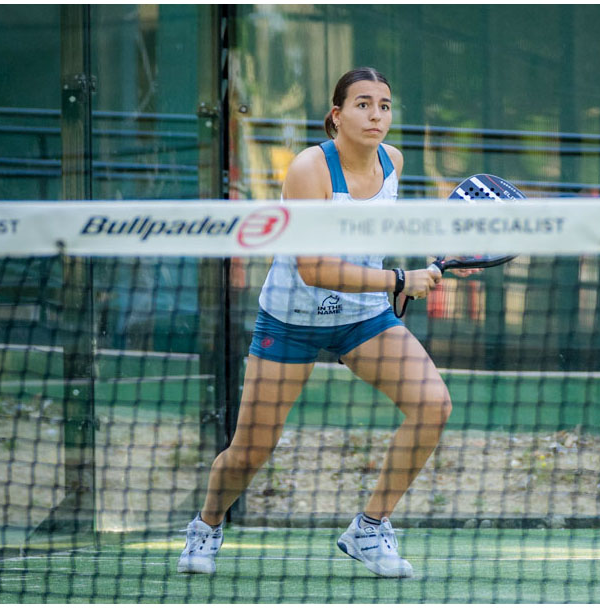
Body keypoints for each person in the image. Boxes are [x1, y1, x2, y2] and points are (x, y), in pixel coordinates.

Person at [177, 67, 475, 578]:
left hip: (363, 318)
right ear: (336, 116)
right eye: (363, 104)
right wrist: (400, 280)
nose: (376, 115)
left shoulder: (393, 162)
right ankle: (206, 525)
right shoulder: (309, 170)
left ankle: (369, 528)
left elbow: (374, 238)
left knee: (433, 405)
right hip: (291, 320)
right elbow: (313, 269)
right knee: (250, 451)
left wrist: (424, 265)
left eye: (384, 105)